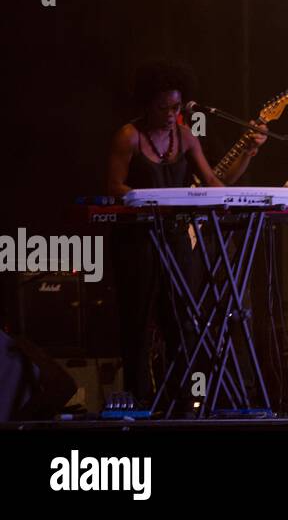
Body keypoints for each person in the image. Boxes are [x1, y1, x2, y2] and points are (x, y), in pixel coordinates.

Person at [104, 59, 265, 405]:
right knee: (138, 323)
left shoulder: (186, 138)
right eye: (163, 107)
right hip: (138, 241)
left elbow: (211, 181)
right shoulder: (129, 136)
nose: (170, 114)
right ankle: (140, 401)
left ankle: (184, 400)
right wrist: (144, 201)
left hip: (177, 239)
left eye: (176, 107)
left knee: (183, 319)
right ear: (148, 103)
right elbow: (114, 186)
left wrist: (247, 198)